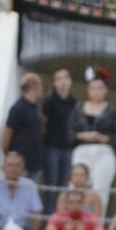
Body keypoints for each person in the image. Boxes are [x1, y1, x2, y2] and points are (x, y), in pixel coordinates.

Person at [70, 71, 116, 214]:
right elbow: (70, 132)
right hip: (82, 150)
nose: (96, 92)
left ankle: (96, 225)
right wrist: (83, 135)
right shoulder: (78, 108)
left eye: (100, 88)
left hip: (103, 152)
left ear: (105, 90)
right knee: (77, 187)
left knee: (100, 191)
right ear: (88, 89)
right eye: (93, 88)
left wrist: (102, 138)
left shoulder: (112, 110)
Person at [41, 68, 78, 208]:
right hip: (52, 147)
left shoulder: (74, 102)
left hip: (68, 148)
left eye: (66, 78)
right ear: (54, 83)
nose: (63, 82)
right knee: (51, 186)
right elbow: (43, 123)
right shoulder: (49, 101)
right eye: (59, 79)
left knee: (64, 187)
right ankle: (49, 219)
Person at [1, 72, 45, 180]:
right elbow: (7, 134)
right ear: (34, 86)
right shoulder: (18, 108)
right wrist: (11, 156)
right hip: (21, 167)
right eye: (40, 84)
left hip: (33, 164)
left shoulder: (34, 108)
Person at [0, 152, 44, 230]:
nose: (13, 169)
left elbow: (37, 212)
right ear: (3, 168)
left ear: (23, 169)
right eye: (10, 165)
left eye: (17, 165)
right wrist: (2, 229)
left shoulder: (30, 185)